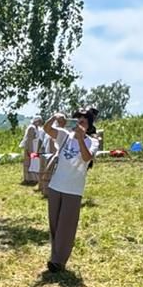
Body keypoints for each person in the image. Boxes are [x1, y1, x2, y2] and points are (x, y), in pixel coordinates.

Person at [43, 106, 99, 273]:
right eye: (77, 120)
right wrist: (55, 116)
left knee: (66, 227)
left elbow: (87, 158)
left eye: (83, 121)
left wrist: (81, 139)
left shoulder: (92, 141)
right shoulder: (65, 136)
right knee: (54, 225)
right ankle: (55, 257)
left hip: (73, 190)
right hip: (55, 186)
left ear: (88, 125)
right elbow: (47, 129)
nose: (79, 123)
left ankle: (59, 262)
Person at [20, 116, 44, 185]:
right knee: (29, 163)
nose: (40, 123)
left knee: (35, 163)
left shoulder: (38, 128)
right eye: (39, 121)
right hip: (31, 147)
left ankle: (34, 178)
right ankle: (28, 178)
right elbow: (29, 140)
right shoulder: (31, 128)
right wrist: (30, 151)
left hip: (35, 147)